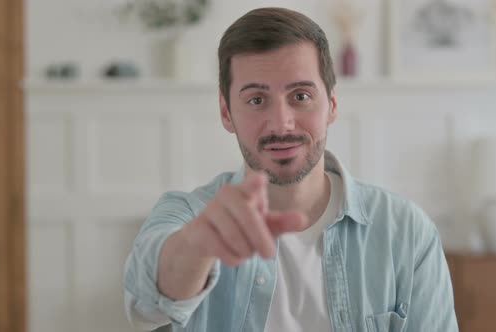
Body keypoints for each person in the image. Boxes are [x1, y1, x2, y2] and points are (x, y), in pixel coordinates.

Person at [124, 7, 458, 332]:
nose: (282, 123)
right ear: (226, 113)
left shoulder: (406, 231)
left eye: (300, 96)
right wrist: (199, 246)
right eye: (256, 99)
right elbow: (145, 301)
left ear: (332, 105)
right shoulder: (186, 214)